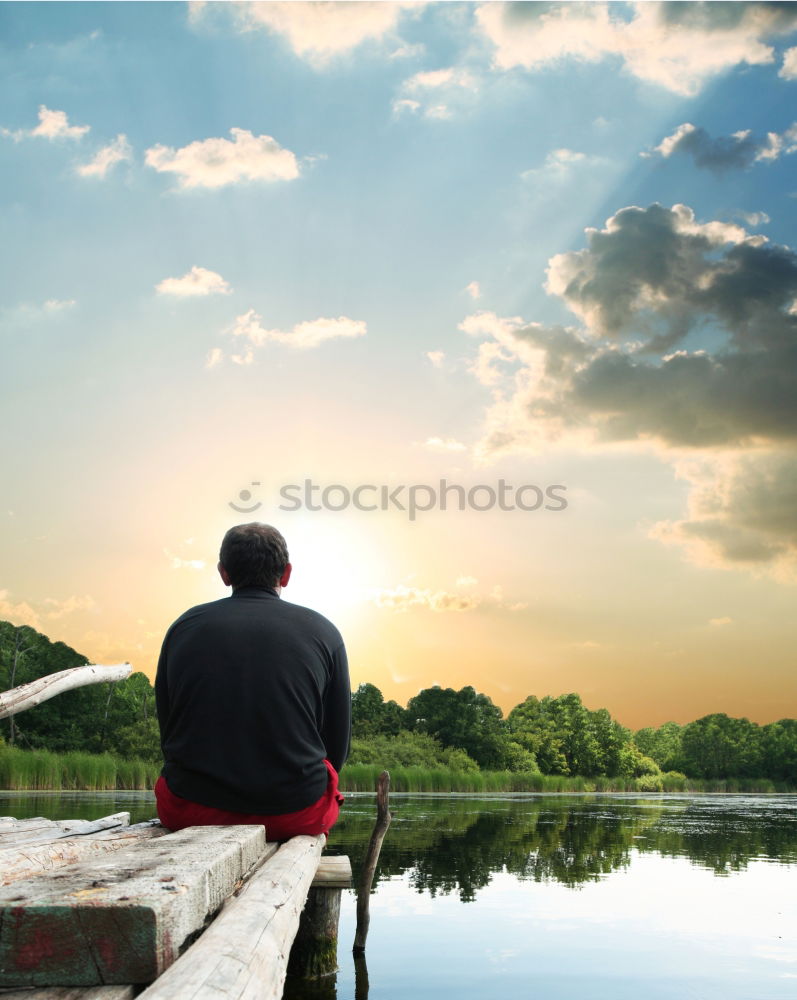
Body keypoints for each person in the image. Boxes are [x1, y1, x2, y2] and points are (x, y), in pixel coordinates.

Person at [154, 522, 351, 841]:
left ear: (224, 573)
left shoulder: (184, 627)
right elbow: (337, 748)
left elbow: (169, 729)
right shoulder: (324, 631)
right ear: (285, 574)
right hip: (294, 812)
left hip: (190, 811)